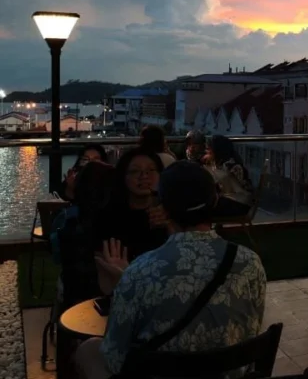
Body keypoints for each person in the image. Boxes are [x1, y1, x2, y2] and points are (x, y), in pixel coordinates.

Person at [74, 161, 266, 379]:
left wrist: (124, 282)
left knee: (87, 350)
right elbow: (251, 332)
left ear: (163, 210)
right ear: (214, 201)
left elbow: (114, 357)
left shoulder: (141, 271)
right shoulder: (250, 263)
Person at [51, 161, 116, 308]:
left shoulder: (66, 218)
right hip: (106, 299)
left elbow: (56, 256)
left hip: (73, 297)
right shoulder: (117, 222)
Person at [96, 148, 168, 268]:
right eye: (135, 171)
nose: (144, 176)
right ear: (123, 176)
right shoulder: (109, 217)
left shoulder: (170, 212)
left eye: (151, 170)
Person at [207, 135, 254, 217]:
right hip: (233, 200)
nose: (207, 152)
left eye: (209, 149)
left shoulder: (232, 165)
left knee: (206, 206)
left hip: (240, 204)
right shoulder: (224, 163)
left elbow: (222, 180)